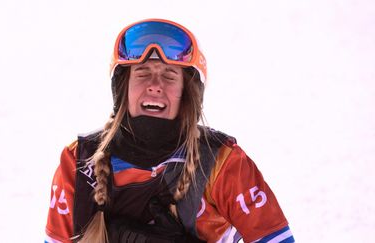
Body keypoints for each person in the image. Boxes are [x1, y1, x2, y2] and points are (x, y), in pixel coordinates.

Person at [45, 19, 295, 243]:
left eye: (169, 76)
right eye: (142, 73)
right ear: (123, 89)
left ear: (186, 93)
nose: (155, 85)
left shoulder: (223, 164)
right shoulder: (79, 162)